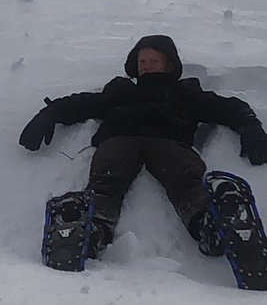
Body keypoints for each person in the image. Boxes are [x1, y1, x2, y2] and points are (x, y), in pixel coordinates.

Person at [19, 34, 267, 257]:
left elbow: (227, 107)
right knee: (107, 179)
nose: (147, 67)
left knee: (185, 178)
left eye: (154, 61)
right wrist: (50, 114)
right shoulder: (122, 91)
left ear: (169, 64)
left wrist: (250, 126)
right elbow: (83, 103)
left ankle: (209, 224)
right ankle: (92, 227)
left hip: (169, 141)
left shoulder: (185, 93)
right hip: (121, 139)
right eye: (142, 63)